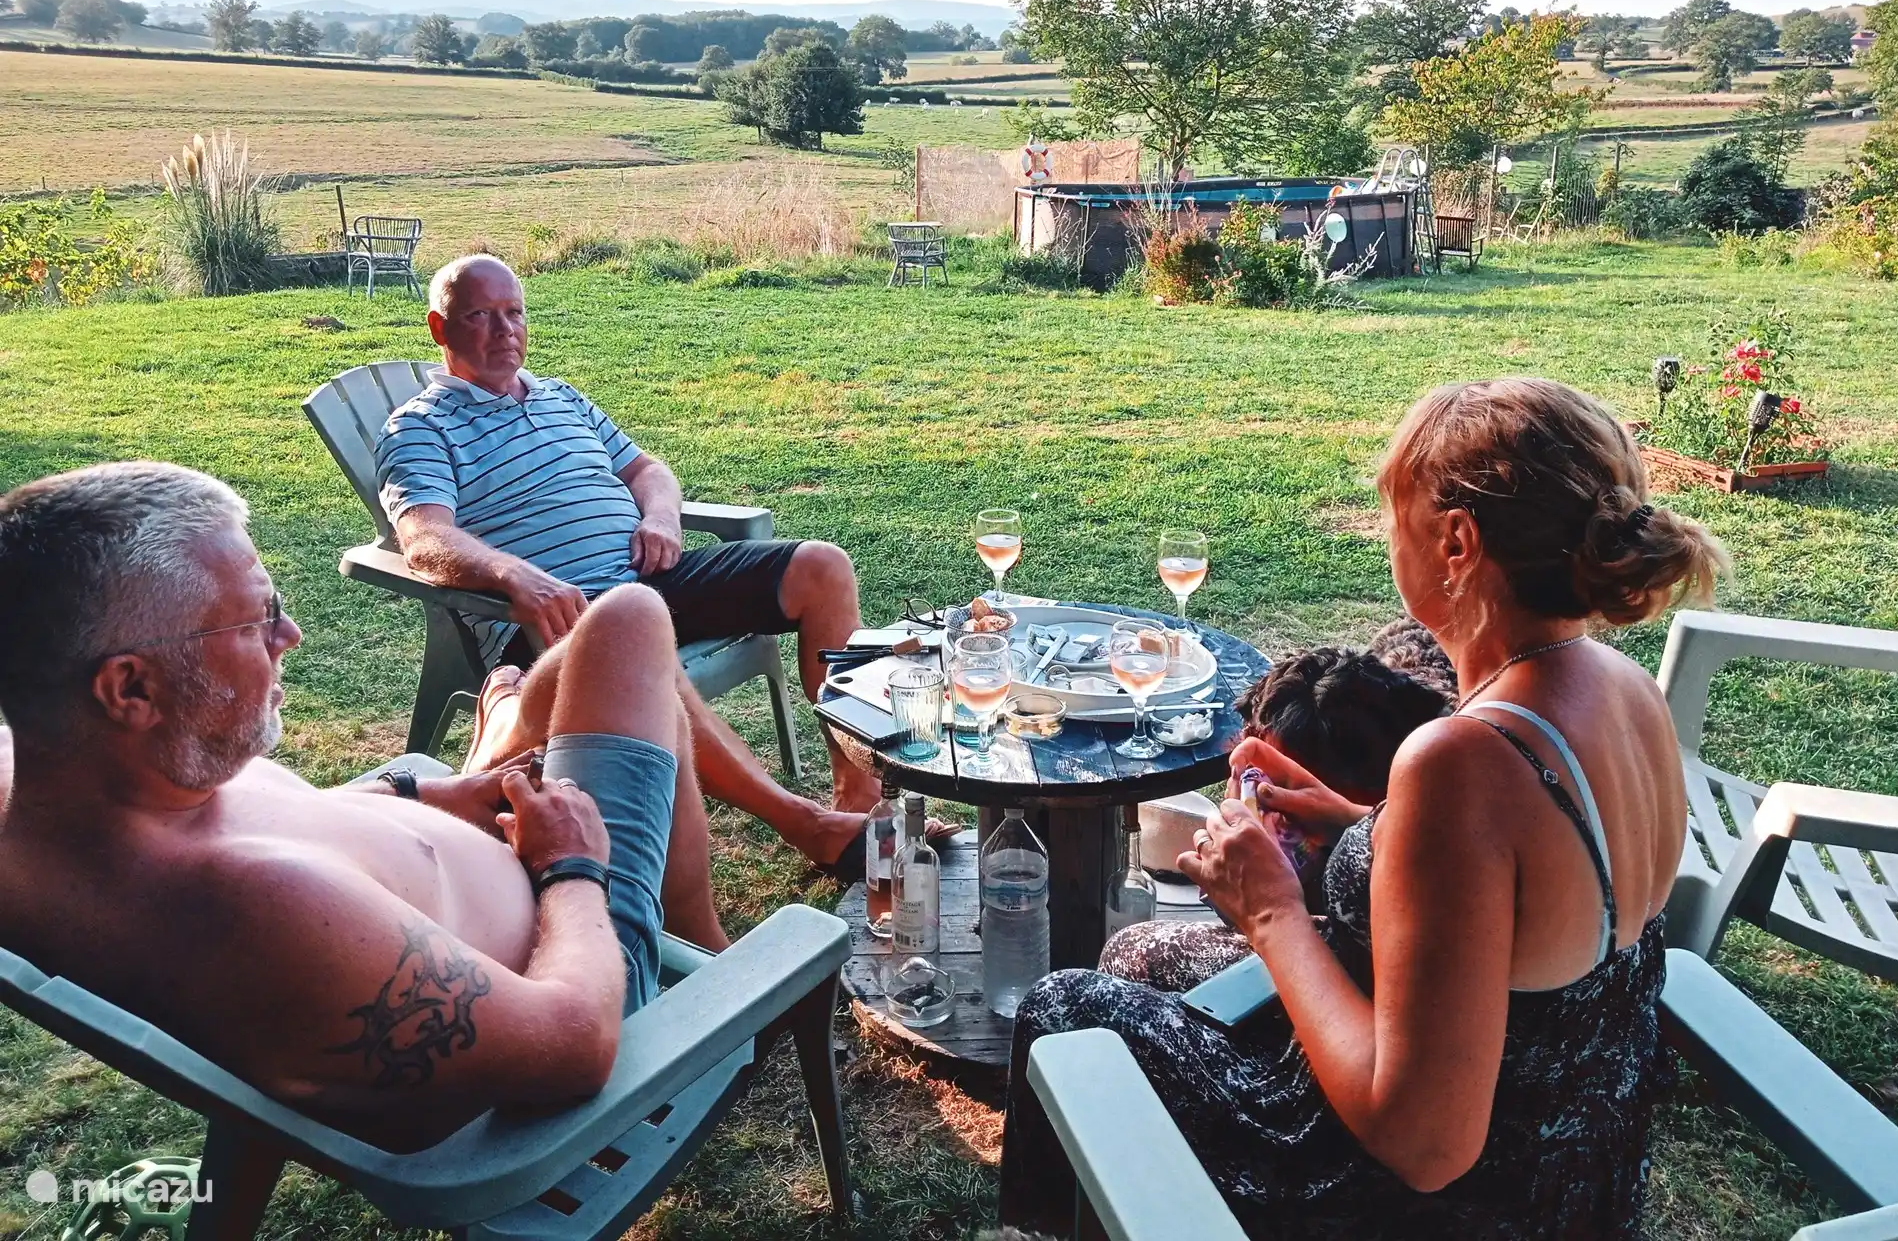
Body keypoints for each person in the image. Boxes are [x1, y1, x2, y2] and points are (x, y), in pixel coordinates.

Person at [1000, 378, 1730, 1239]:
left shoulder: (1464, 761)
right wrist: (1360, 827)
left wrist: (1271, 911)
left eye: (1394, 516)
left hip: (1426, 1198)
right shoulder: (1627, 692)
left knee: (1063, 1006)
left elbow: (1424, 1144)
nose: (1388, 538)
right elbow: (1536, 908)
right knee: (1142, 959)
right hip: (1577, 1165)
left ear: (1456, 541)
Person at [0, 461, 700, 1148]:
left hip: (479, 886)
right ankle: (714, 961)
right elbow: (575, 1047)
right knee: (629, 621)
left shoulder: (65, 775)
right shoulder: (257, 907)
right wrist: (570, 866)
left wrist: (419, 791)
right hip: (575, 969)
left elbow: (290, 827)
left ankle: (505, 724)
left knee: (585, 671)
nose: (289, 635)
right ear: (131, 690)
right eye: (254, 619)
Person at [375, 253, 895, 882]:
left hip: (647, 577)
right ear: (440, 328)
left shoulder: (560, 397)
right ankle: (804, 824)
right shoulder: (420, 428)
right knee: (634, 634)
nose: (504, 330)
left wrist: (661, 518)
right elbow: (425, 537)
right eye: (480, 316)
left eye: (514, 313)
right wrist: (515, 575)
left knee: (822, 567)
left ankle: (860, 801)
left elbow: (648, 471)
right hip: (559, 616)